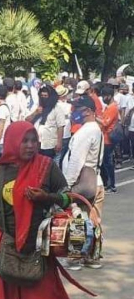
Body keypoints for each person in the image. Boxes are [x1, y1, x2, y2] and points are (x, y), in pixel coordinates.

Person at [0, 121, 76, 299]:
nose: (31, 146)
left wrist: (47, 198)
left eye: (34, 140)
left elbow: (68, 197)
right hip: (5, 243)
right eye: (25, 141)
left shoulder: (46, 166)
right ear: (13, 141)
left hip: (37, 245)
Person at [61, 95, 104, 270]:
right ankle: (92, 256)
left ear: (87, 111)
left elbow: (76, 161)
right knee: (94, 221)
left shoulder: (85, 132)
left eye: (77, 109)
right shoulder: (96, 129)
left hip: (82, 183)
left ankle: (75, 257)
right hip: (96, 181)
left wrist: (68, 186)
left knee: (78, 218)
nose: (74, 112)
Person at [25, 85, 65, 159]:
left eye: (45, 96)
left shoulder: (56, 109)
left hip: (49, 144)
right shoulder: (36, 106)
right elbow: (27, 120)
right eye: (42, 95)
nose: (43, 98)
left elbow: (60, 126)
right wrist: (35, 113)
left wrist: (59, 142)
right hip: (36, 143)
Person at [98, 86, 118, 193]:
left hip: (108, 139)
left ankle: (112, 185)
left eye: (104, 96)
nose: (103, 98)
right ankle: (108, 184)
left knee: (108, 163)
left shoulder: (112, 108)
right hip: (105, 137)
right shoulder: (108, 107)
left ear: (109, 96)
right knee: (106, 162)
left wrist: (95, 118)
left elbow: (105, 123)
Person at [54, 85, 72, 167]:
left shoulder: (54, 106)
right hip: (66, 134)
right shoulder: (68, 106)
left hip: (56, 134)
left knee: (57, 158)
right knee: (64, 158)